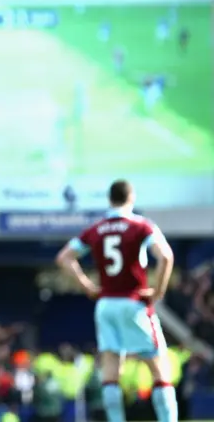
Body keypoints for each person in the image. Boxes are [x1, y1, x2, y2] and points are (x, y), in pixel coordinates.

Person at [55, 180, 177, 422]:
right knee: (159, 369)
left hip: (106, 305)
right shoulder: (141, 226)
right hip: (133, 303)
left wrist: (87, 285)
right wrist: (158, 291)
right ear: (131, 197)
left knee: (111, 370)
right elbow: (166, 256)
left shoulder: (97, 228)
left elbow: (64, 258)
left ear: (110, 199)